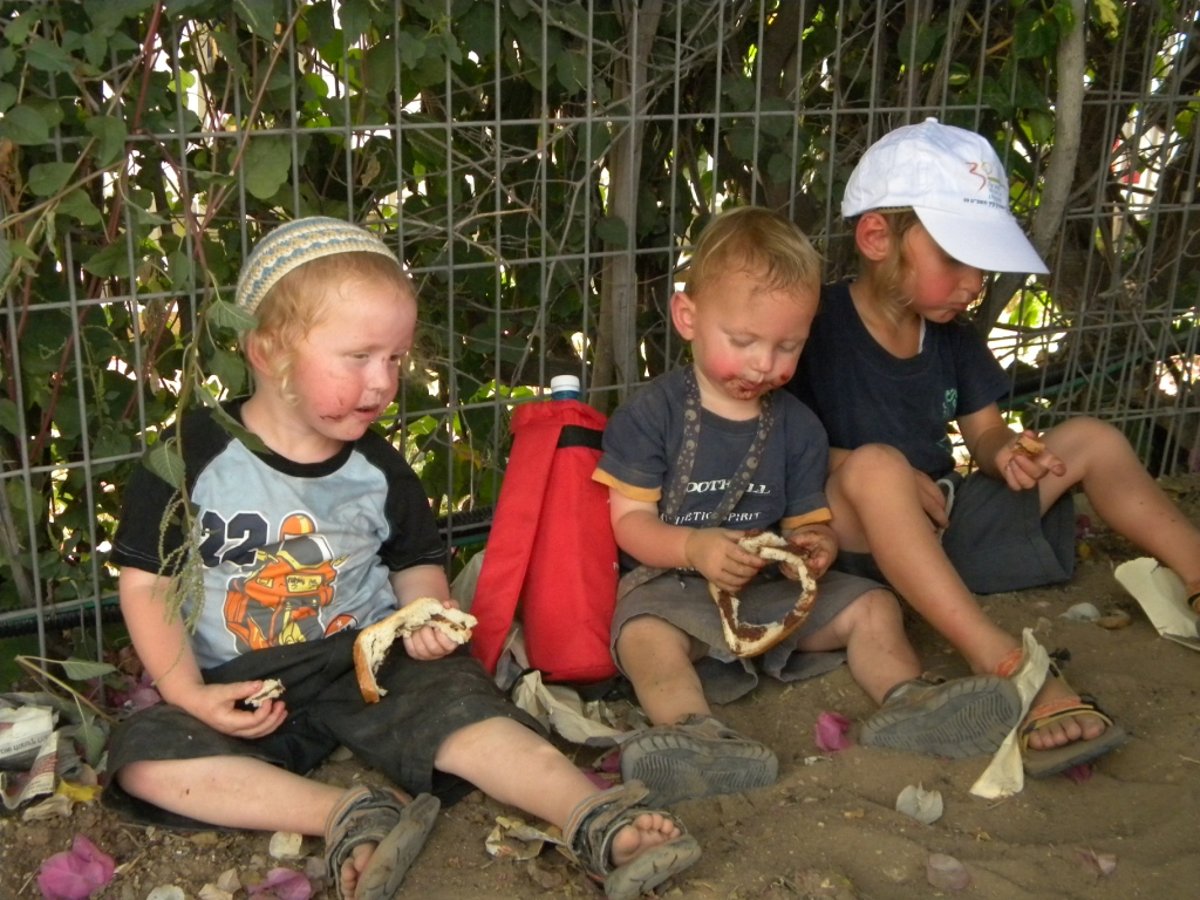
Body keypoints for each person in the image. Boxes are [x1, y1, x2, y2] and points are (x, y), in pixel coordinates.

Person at [103, 217, 701, 900]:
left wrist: (429, 616)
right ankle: (344, 814)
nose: (383, 381)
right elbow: (148, 584)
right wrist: (189, 695)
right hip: (245, 681)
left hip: (370, 661)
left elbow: (414, 562)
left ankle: (591, 815)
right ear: (267, 352)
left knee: (467, 707)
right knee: (146, 758)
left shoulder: (380, 468)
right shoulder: (193, 455)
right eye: (359, 357)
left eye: (395, 358)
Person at [788, 117, 1200, 777]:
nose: (974, 281)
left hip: (943, 525)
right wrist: (866, 468)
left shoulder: (951, 338)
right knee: (877, 467)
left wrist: (1006, 451)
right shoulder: (814, 324)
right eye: (954, 258)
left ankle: (1196, 572)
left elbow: (982, 431)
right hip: (846, 541)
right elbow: (777, 441)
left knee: (1092, 437)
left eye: (980, 262)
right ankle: (1002, 660)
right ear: (876, 237)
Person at [593, 206, 1026, 807]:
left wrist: (813, 543)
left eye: (787, 346)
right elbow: (629, 525)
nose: (763, 364)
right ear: (688, 317)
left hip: (770, 589)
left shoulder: (797, 425)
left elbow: (804, 514)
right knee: (643, 635)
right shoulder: (650, 415)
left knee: (873, 605)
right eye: (743, 341)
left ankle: (908, 700)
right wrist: (693, 547)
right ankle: (696, 737)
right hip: (675, 588)